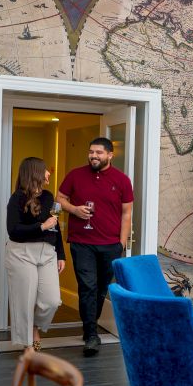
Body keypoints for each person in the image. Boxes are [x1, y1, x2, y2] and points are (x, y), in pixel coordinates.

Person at [57, 137, 133, 357]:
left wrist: (121, 242)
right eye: (91, 152)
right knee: (87, 287)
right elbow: (59, 198)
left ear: (110, 155)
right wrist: (73, 209)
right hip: (82, 243)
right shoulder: (75, 175)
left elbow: (127, 213)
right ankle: (91, 333)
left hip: (110, 244)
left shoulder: (122, 180)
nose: (94, 156)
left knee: (101, 289)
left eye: (99, 152)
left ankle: (91, 325)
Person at [5, 157, 65, 350]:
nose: (49, 173)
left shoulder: (48, 197)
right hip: (21, 253)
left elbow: (55, 227)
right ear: (36, 172)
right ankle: (27, 344)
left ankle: (34, 326)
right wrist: (41, 226)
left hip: (47, 252)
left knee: (52, 300)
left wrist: (61, 254)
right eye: (46, 170)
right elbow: (13, 230)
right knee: (24, 300)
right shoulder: (17, 198)